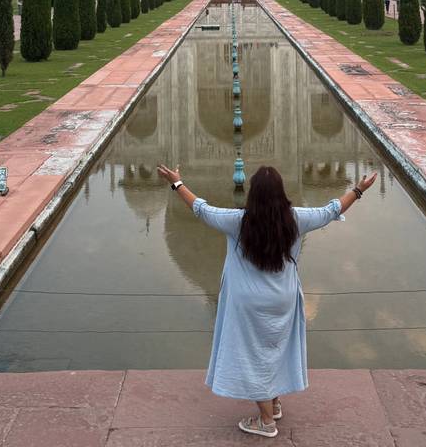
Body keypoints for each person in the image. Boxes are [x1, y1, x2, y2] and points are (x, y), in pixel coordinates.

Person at [156, 162, 378, 438]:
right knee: (276, 347)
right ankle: (273, 401)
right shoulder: (296, 219)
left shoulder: (237, 221)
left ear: (252, 194)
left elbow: (200, 208)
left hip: (247, 301)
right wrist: (358, 189)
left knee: (253, 356)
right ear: (282, 192)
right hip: (283, 298)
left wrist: (176, 183)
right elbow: (331, 210)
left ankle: (265, 421)